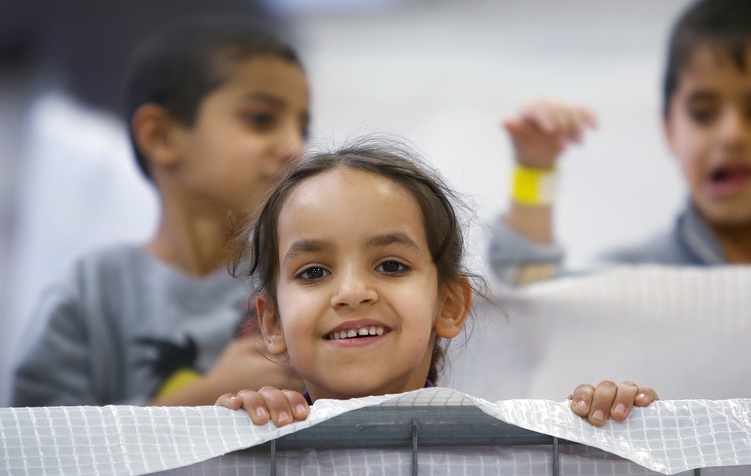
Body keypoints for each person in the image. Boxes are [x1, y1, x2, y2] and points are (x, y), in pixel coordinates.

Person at [214, 138, 658, 427]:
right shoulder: (252, 441)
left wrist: (610, 436)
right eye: (314, 272)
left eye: (390, 266)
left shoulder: (514, 450)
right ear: (270, 322)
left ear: (449, 305)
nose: (351, 292)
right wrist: (236, 445)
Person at [11, 17, 310, 406]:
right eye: (260, 119)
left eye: (302, 128)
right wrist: (206, 395)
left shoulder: (300, 279)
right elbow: (36, 448)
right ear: (160, 136)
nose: (294, 148)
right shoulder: (94, 291)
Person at [489, 0, 751, 286]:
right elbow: (528, 289)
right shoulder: (623, 280)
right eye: (703, 114)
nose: (732, 135)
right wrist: (535, 166)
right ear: (670, 129)